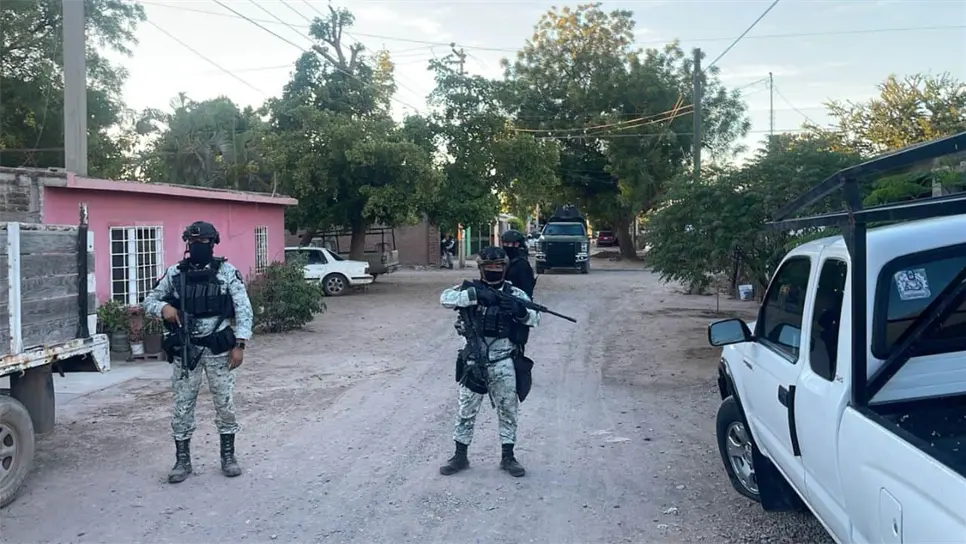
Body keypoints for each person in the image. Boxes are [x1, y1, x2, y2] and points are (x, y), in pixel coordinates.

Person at [142, 221, 254, 484]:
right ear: (187, 244)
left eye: (203, 243)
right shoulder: (175, 274)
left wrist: (240, 344)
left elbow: (243, 309)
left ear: (212, 244)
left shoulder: (227, 272)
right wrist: (163, 309)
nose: (198, 247)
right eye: (194, 243)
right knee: (182, 407)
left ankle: (228, 456)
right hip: (186, 350)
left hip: (219, 349)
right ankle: (182, 460)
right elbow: (148, 301)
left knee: (224, 404)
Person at [438, 246, 540, 478]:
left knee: (507, 409)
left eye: (499, 267)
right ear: (481, 268)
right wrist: (473, 296)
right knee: (466, 410)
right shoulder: (470, 290)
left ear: (505, 268)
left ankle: (508, 456)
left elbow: (536, 317)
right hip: (474, 360)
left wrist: (519, 311)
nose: (494, 271)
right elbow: (444, 298)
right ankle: (460, 455)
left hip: (504, 360)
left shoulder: (515, 293)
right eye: (489, 267)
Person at [500, 229, 535, 299]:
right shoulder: (506, 260)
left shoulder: (522, 264)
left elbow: (527, 289)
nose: (506, 246)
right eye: (504, 244)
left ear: (517, 244)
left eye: (508, 244)